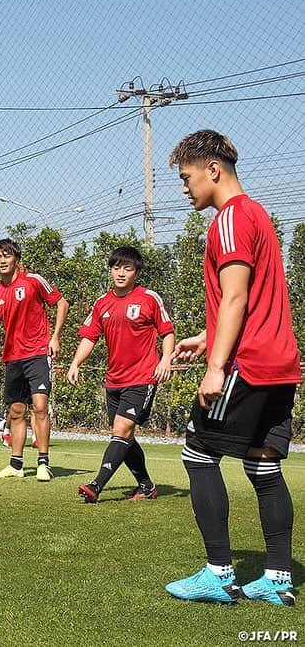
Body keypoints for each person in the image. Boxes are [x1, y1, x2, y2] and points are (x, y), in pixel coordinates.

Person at [165, 130, 299, 607]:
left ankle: (219, 574)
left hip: (247, 364)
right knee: (262, 465)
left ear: (213, 170)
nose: (184, 188)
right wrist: (207, 338)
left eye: (186, 177)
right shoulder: (259, 214)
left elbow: (238, 295)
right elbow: (248, 298)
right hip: (281, 362)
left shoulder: (228, 220)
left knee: (198, 454)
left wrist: (216, 365)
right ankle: (278, 578)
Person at [67, 246, 175, 502]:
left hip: (142, 377)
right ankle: (147, 486)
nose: (121, 273)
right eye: (117, 268)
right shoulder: (102, 303)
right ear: (111, 270)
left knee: (121, 429)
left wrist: (166, 360)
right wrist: (75, 363)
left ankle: (96, 485)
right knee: (124, 436)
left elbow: (167, 332)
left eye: (127, 268)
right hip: (113, 381)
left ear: (136, 272)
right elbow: (89, 337)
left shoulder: (149, 298)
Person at [0, 238, 68, 482]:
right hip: (13, 359)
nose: (2, 260)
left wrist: (56, 337)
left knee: (39, 406)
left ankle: (43, 463)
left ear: (16, 259)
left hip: (38, 353)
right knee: (16, 411)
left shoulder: (33, 281)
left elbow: (61, 303)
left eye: (7, 256)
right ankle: (16, 465)